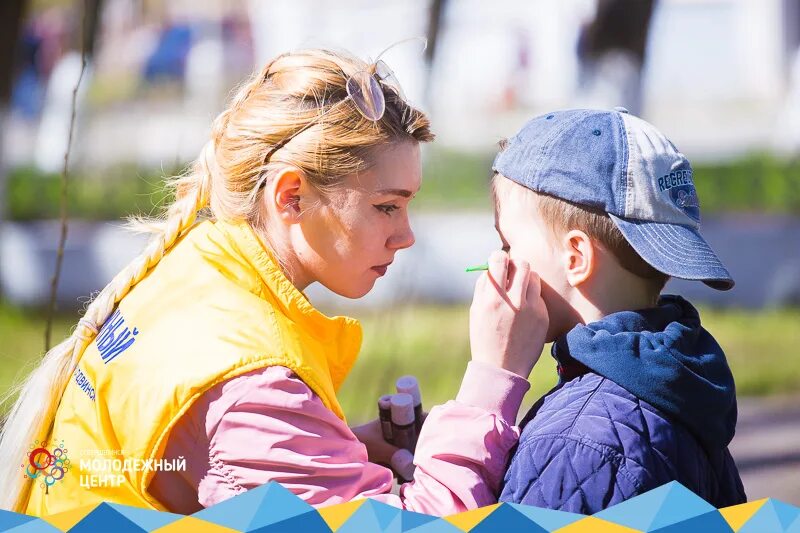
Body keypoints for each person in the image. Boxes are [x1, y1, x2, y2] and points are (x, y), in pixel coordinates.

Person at [0, 48, 547, 516]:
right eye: (386, 207)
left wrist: (338, 450)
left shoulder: (200, 270)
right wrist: (493, 377)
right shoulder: (250, 383)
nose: (405, 236)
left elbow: (210, 467)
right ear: (291, 196)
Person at [486, 107, 747, 513]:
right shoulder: (680, 381)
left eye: (507, 245)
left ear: (576, 257)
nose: (499, 261)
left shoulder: (575, 444)